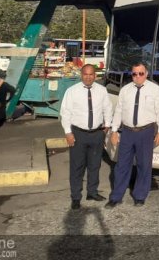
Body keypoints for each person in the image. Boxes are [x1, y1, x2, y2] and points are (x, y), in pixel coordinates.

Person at [106, 62, 159, 208]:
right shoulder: (125, 90)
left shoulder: (155, 90)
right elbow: (119, 111)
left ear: (146, 74)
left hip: (146, 132)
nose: (137, 76)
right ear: (131, 74)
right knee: (121, 165)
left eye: (140, 73)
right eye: (134, 73)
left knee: (144, 165)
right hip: (127, 132)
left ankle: (139, 195)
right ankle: (116, 196)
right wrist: (114, 131)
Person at [60, 64, 113, 210]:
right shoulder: (72, 91)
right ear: (81, 75)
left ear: (95, 75)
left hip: (97, 134)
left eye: (91, 74)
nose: (88, 77)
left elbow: (107, 108)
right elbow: (65, 113)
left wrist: (107, 126)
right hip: (78, 134)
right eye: (85, 74)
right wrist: (68, 132)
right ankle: (76, 197)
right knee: (77, 167)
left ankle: (92, 192)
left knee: (95, 165)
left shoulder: (102, 90)